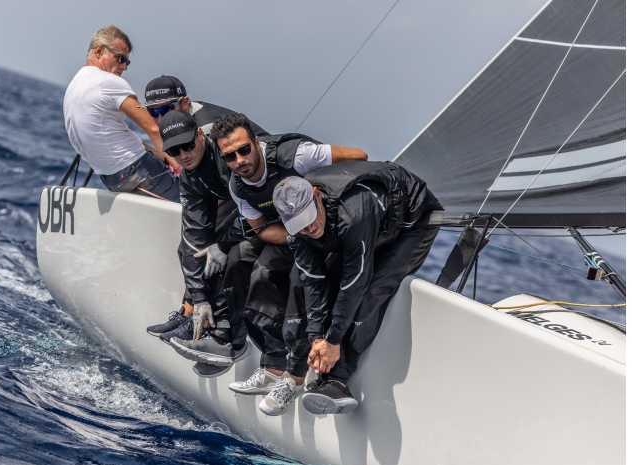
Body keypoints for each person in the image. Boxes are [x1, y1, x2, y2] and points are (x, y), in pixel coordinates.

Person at [166, 112, 367, 416]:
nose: (240, 160)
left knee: (300, 279)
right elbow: (260, 229)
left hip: (330, 227)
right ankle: (255, 353)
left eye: (244, 150)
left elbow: (359, 157)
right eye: (230, 156)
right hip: (290, 233)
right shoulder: (238, 185)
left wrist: (333, 202)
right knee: (241, 260)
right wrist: (295, 237)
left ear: (256, 143)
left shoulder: (297, 155)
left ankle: (299, 374)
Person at [272, 162, 443, 415]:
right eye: (299, 225)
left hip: (412, 223)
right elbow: (313, 281)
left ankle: (339, 380)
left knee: (373, 288)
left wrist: (333, 340)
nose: (308, 228)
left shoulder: (352, 213)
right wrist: (317, 336)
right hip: (371, 226)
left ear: (316, 196)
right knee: (308, 278)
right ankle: (297, 368)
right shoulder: (299, 231)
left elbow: (356, 281)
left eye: (308, 218)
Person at [145, 110, 250, 378]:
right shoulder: (189, 177)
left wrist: (224, 246)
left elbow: (254, 211)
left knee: (234, 255)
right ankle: (197, 317)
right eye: (174, 151)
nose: (183, 155)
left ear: (200, 134)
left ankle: (229, 340)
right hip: (244, 211)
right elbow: (194, 237)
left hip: (275, 211)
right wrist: (200, 297)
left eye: (188, 145)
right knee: (195, 250)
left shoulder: (228, 157)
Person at [63, 25, 180, 202]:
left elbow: (117, 136)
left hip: (110, 177)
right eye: (120, 58)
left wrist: (164, 157)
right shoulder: (109, 82)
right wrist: (182, 168)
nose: (124, 67)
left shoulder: (75, 83)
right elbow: (153, 128)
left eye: (127, 61)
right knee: (194, 200)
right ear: (99, 51)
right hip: (134, 171)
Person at [139, 75, 270, 137]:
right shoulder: (188, 116)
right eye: (153, 112)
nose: (161, 119)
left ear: (184, 103)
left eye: (166, 109)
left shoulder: (205, 127)